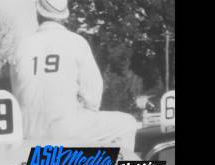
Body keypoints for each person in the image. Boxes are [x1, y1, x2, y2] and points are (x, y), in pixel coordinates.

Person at [10, 0, 138, 151]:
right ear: (65, 17)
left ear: (38, 13)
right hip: (65, 130)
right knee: (127, 124)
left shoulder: (21, 47)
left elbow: (17, 96)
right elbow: (93, 98)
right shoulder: (76, 42)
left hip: (28, 133)